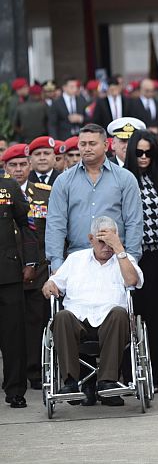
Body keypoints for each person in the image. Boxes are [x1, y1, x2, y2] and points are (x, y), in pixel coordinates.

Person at [42, 216, 143, 407]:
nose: (106, 246)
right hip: (78, 322)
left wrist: (119, 249)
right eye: (101, 241)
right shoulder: (75, 259)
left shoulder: (124, 259)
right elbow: (54, 282)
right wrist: (49, 284)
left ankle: (107, 382)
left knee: (119, 313)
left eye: (110, 241)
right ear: (91, 239)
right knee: (61, 316)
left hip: (111, 325)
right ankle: (71, 383)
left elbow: (132, 281)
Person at [45, 123, 143, 272]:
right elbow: (55, 224)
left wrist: (131, 259)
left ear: (105, 145)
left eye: (92, 144)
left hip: (115, 258)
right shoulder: (64, 181)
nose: (87, 148)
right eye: (83, 144)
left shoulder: (125, 178)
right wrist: (57, 263)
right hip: (76, 259)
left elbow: (134, 222)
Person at [123, 130, 158, 391]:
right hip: (130, 255)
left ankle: (153, 376)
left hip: (157, 255)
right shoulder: (123, 178)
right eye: (139, 152)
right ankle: (128, 373)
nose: (143, 157)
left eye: (149, 152)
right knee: (128, 314)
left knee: (154, 317)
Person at [3, 144, 52, 390]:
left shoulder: (45, 192)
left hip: (38, 268)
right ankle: (13, 375)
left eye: (23, 164)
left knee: (35, 323)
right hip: (8, 269)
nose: (19, 169)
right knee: (11, 326)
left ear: (30, 165)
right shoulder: (3, 191)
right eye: (14, 165)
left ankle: (34, 371)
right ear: (5, 167)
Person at [0, 163, 38, 408]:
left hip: (8, 272)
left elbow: (28, 223)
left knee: (13, 335)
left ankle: (15, 389)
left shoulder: (7, 186)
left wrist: (31, 261)